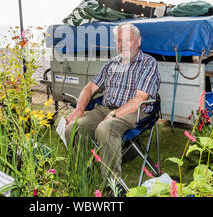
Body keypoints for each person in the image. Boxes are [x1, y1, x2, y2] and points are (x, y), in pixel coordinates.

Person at [65, 22, 160, 180]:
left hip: (135, 112)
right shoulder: (111, 63)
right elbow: (89, 88)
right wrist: (79, 110)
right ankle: (81, 179)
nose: (123, 45)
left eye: (128, 40)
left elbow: (140, 99)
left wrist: (116, 113)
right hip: (105, 108)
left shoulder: (148, 63)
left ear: (138, 41)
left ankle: (112, 187)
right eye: (119, 41)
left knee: (105, 128)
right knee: (73, 128)